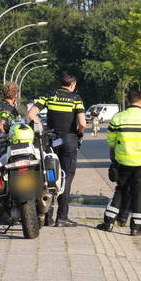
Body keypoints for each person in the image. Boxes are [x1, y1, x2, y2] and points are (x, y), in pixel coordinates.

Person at [98, 89, 141, 236]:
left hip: (123, 161)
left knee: (120, 190)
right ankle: (136, 228)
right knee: (138, 193)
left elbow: (110, 141)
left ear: (128, 101)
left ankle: (109, 222)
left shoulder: (117, 118)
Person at [28, 73, 86, 227]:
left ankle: (47, 216)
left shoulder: (49, 96)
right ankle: (62, 217)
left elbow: (31, 114)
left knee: (48, 176)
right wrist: (79, 132)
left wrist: (43, 126)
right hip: (69, 140)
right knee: (65, 177)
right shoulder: (76, 98)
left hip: (51, 140)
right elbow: (82, 123)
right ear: (72, 84)